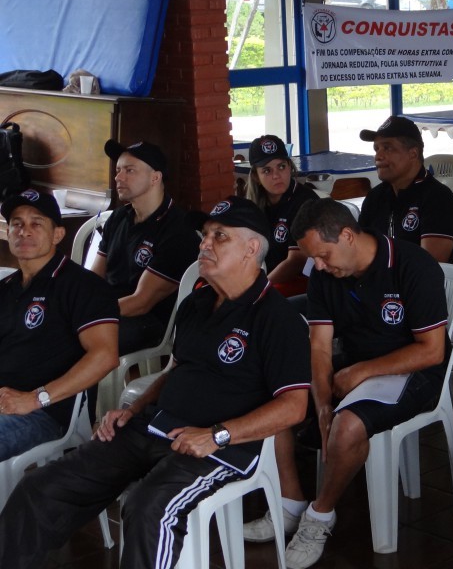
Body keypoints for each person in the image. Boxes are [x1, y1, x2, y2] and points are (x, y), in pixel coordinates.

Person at [0, 196, 311, 568]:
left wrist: (217, 435)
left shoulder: (277, 319)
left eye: (220, 236)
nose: (205, 244)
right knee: (41, 488)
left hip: (220, 447)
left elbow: (294, 407)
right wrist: (134, 408)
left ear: (252, 249)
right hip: (154, 426)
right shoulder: (196, 304)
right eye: (205, 235)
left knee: (148, 508)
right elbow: (175, 371)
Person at [243, 198, 449, 569]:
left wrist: (363, 371)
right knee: (276, 396)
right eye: (313, 259)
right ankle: (289, 503)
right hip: (356, 365)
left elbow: (432, 351)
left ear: (347, 236)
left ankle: (320, 515)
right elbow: (320, 348)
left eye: (323, 255)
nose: (319, 266)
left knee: (347, 426)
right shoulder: (326, 276)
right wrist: (322, 404)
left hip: (416, 373)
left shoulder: (413, 265)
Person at [0, 188, 118, 462]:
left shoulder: (83, 287)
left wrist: (35, 399)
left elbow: (105, 356)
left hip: (43, 412)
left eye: (36, 224)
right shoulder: (6, 287)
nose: (24, 232)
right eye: (17, 224)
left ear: (57, 235)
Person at [94, 139, 200, 353]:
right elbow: (93, 279)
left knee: (83, 339)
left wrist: (89, 315)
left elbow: (141, 302)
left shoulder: (178, 229)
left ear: (155, 177)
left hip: (150, 321)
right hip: (110, 309)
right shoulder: (118, 217)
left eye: (129, 170)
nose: (118, 177)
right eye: (118, 170)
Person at [357, 115, 453, 263]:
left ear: (413, 154)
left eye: (387, 148)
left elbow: (430, 266)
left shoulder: (439, 200)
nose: (378, 156)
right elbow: (358, 250)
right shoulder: (375, 197)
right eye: (377, 149)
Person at [246, 133, 320, 296]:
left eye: (281, 167)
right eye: (267, 170)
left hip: (301, 282)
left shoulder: (305, 201)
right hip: (266, 277)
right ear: (256, 177)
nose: (276, 175)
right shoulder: (254, 204)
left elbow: (296, 262)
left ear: (290, 167)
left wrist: (258, 290)